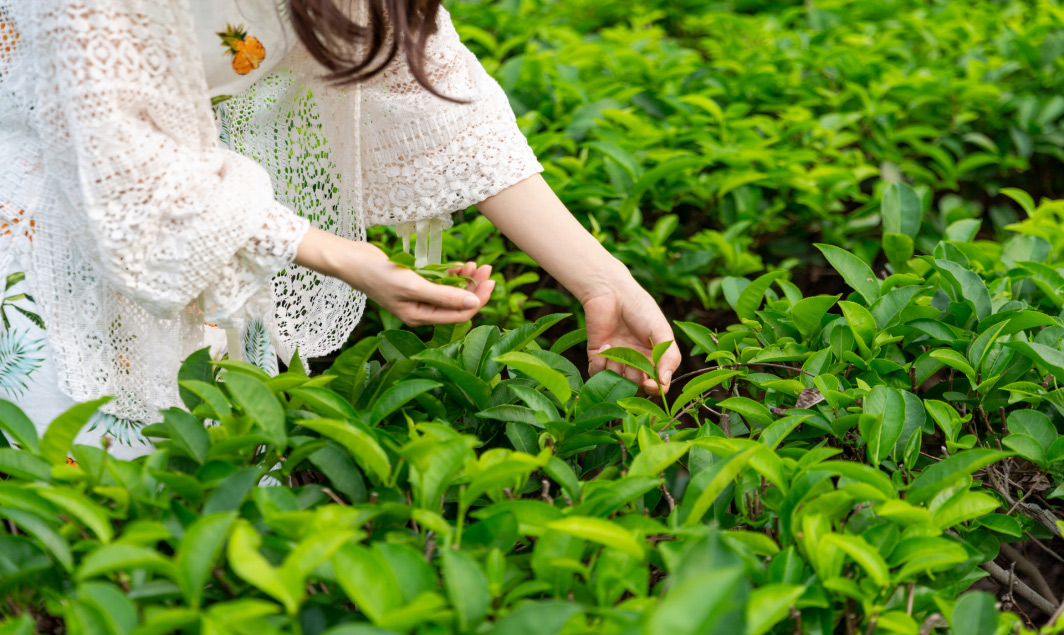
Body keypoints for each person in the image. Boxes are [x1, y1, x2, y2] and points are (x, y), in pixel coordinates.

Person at [0, 0, 681, 458]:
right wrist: (337, 254)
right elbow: (115, 150)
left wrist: (604, 281)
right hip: (45, 235)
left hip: (208, 233)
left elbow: (433, 96)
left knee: (212, 503)